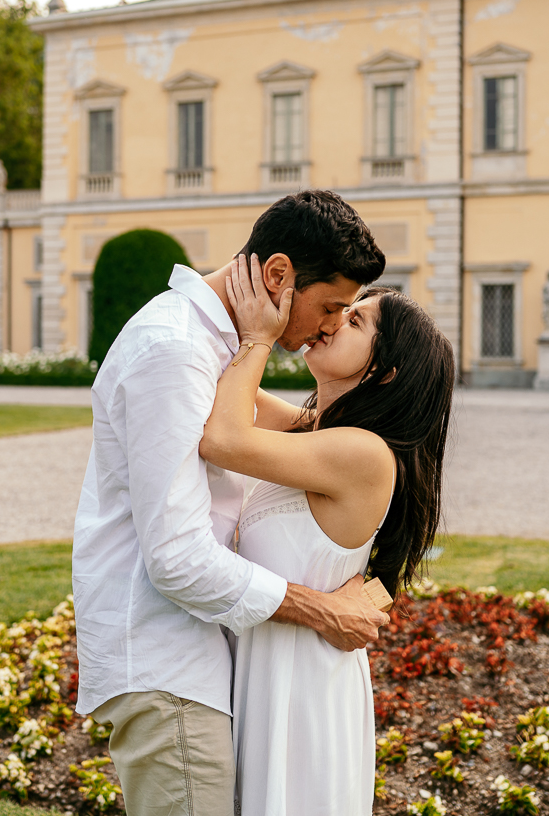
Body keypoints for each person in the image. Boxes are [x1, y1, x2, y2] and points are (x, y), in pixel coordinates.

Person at [72, 190, 392, 816]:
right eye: (330, 307)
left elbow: (305, 432)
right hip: (167, 660)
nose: (329, 325)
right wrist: (321, 610)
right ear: (278, 276)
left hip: (200, 662)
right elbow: (177, 559)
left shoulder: (212, 347)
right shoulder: (175, 351)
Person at [200, 256, 455, 816]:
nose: (335, 322)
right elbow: (213, 393)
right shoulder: (313, 432)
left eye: (356, 321)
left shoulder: (360, 454)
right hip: (268, 674)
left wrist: (259, 338)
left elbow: (221, 438)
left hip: (303, 689)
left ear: (384, 372)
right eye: (341, 309)